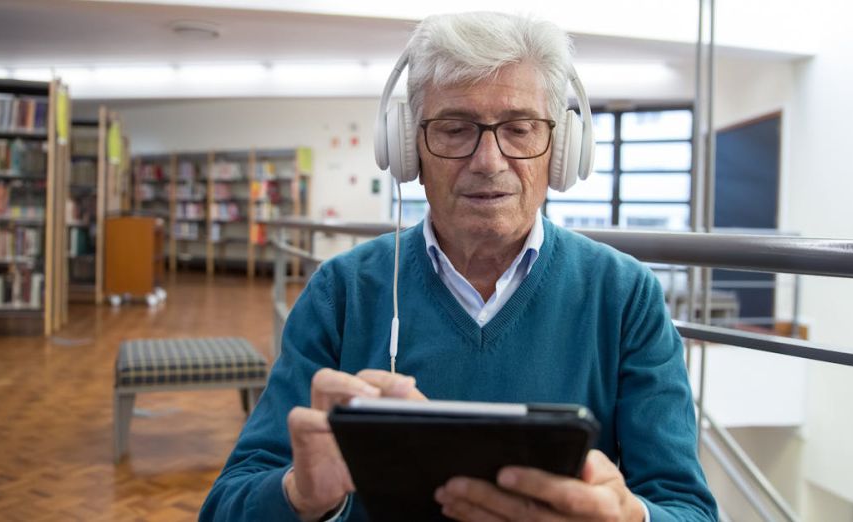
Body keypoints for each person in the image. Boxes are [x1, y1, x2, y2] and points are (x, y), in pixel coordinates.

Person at [200, 12, 717, 522]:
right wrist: (299, 495)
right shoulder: (342, 292)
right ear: (409, 151)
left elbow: (688, 509)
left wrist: (631, 518)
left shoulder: (624, 295)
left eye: (519, 128)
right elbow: (225, 506)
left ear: (560, 151)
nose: (488, 160)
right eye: (454, 129)